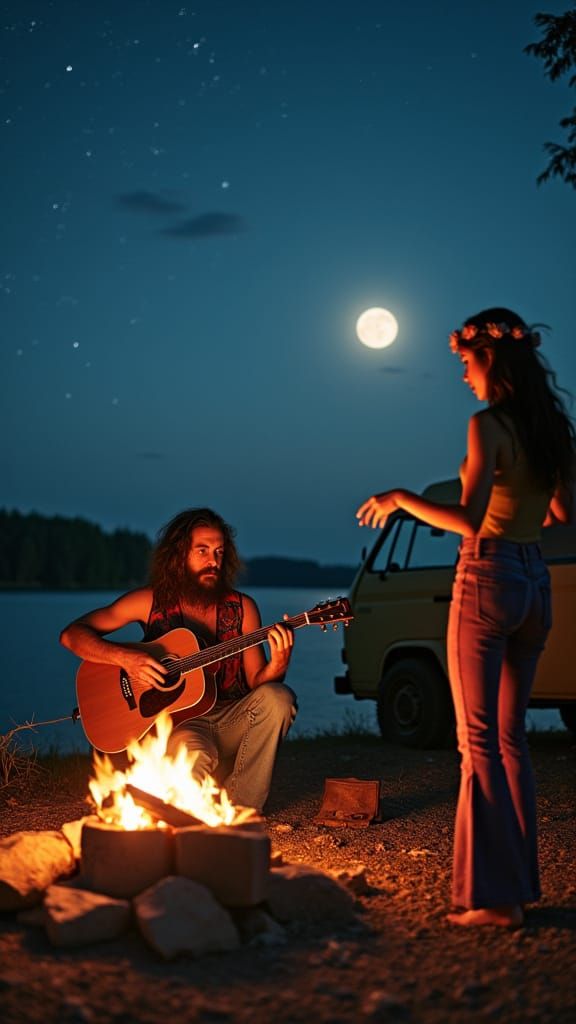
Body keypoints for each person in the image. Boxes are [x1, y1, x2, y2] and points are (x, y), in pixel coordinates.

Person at [356, 307, 575, 928]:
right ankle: (516, 889)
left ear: (490, 360)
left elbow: (472, 519)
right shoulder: (552, 431)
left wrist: (403, 500)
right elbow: (564, 513)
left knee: (477, 741)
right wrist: (522, 509)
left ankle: (494, 900)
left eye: (465, 361)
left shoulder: (488, 426)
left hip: (486, 578)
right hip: (535, 583)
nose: (463, 374)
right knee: (512, 743)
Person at [60, 508, 297, 813]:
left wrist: (280, 661)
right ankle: (188, 811)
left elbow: (257, 683)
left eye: (219, 552)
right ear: (179, 554)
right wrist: (126, 659)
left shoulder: (243, 609)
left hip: (232, 718)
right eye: (202, 551)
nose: (213, 561)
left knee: (279, 698)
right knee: (188, 771)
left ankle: (241, 810)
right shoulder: (149, 601)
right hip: (183, 726)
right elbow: (72, 635)